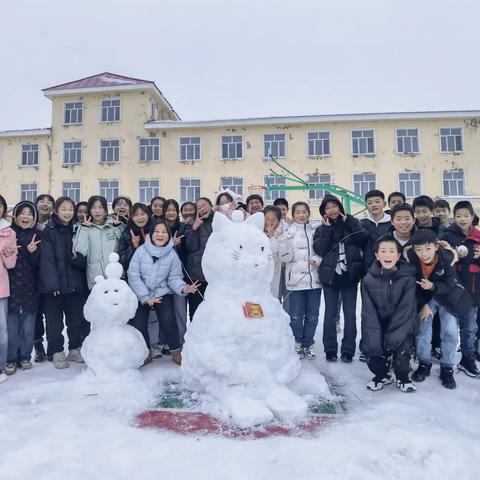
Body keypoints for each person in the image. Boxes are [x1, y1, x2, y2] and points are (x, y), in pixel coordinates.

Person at [406, 230, 474, 389]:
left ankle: (447, 367)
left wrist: (433, 287)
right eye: (419, 249)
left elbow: (451, 284)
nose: (423, 253)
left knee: (450, 331)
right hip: (425, 299)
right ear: (414, 249)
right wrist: (425, 303)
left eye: (428, 248)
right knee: (423, 330)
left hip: (448, 298)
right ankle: (424, 363)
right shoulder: (412, 261)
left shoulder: (447, 258)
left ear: (436, 247)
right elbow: (413, 287)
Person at [128, 222, 199, 366]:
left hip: (161, 293)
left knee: (169, 322)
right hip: (142, 293)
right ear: (150, 235)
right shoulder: (141, 251)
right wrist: (146, 297)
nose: (160, 235)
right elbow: (133, 276)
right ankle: (145, 353)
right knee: (139, 323)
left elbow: (174, 278)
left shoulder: (172, 254)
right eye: (157, 231)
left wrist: (183, 288)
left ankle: (176, 352)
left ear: (168, 236)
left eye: (164, 232)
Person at [314, 194, 367, 362]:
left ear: (340, 207)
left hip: (350, 276)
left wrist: (349, 221)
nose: (331, 210)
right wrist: (328, 229)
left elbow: (363, 239)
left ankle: (348, 350)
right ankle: (330, 349)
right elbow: (320, 250)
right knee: (330, 314)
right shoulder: (321, 229)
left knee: (350, 314)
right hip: (330, 277)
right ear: (324, 212)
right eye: (327, 208)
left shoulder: (351, 223)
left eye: (334, 206)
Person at [361, 239, 417, 392]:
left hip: (402, 325)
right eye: (383, 251)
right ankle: (382, 375)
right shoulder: (368, 280)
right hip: (378, 325)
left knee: (402, 354)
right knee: (373, 349)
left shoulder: (408, 278)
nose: (387, 255)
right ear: (376, 255)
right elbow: (368, 312)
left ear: (398, 256)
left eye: (392, 251)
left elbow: (405, 311)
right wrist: (375, 342)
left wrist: (390, 340)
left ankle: (403, 377)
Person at [39, 197, 87, 369]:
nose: (67, 213)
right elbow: (46, 260)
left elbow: (83, 256)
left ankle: (74, 348)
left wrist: (78, 258)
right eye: (64, 209)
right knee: (54, 322)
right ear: (56, 211)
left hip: (74, 284)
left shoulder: (77, 229)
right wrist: (53, 285)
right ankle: (56, 351)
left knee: (75, 321)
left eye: (70, 209)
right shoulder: (48, 230)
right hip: (54, 288)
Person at [441, 200, 480, 377]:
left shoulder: (479, 237)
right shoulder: (448, 236)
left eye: (466, 215)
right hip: (454, 288)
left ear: (472, 217)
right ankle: (446, 361)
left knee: (469, 327)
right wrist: (450, 252)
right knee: (449, 328)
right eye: (458, 216)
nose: (462, 219)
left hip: (473, 289)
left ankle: (467, 357)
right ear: (453, 217)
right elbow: (442, 260)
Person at [279, 202, 322, 359]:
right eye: (298, 212)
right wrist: (282, 242)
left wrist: (317, 260)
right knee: (296, 315)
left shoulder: (316, 231)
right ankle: (297, 341)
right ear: (293, 214)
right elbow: (286, 257)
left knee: (312, 315)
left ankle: (308, 343)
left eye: (304, 212)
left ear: (309, 213)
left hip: (314, 280)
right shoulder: (288, 232)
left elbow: (322, 250)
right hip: (295, 282)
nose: (301, 215)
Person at [73, 195, 124, 290]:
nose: (97, 211)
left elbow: (123, 246)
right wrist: (84, 229)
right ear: (89, 211)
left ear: (105, 211)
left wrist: (118, 228)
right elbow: (79, 251)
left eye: (100, 207)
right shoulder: (83, 227)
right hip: (95, 278)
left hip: (116, 276)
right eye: (93, 207)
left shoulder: (114, 225)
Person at [163, 199, 188, 348]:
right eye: (168, 210)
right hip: (162, 276)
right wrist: (171, 244)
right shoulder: (159, 228)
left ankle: (182, 342)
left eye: (173, 209)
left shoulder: (184, 227)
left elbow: (188, 249)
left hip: (180, 276)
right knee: (165, 312)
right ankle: (165, 342)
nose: (171, 212)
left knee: (180, 311)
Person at [183, 197, 214, 321]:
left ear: (211, 206)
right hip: (196, 273)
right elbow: (190, 247)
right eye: (199, 207)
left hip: (214, 273)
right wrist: (194, 228)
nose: (202, 208)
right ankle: (195, 337)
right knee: (195, 309)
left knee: (214, 308)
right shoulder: (190, 222)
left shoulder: (219, 220)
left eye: (204, 205)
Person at [33, 193, 55, 361]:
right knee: (36, 312)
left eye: (49, 201)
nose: (45, 204)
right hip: (30, 276)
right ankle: (38, 344)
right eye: (42, 200)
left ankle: (52, 344)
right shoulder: (27, 223)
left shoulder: (54, 225)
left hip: (49, 274)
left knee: (50, 312)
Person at [0, 195, 18, 383]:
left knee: (1, 331)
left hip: (0, 286)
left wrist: (9, 254)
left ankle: (0, 367)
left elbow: (11, 264)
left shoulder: (8, 232)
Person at [361, 189, 391, 269]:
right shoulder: (362, 224)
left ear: (384, 204)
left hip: (390, 266)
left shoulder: (392, 222)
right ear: (366, 206)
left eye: (377, 202)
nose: (374, 205)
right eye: (370, 203)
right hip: (368, 268)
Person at [263, 205, 284, 297]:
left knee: (272, 297)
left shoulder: (281, 234)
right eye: (267, 219)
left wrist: (271, 235)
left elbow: (274, 250)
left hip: (274, 271)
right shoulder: (257, 233)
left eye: (273, 220)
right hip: (260, 271)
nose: (269, 222)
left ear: (278, 221)